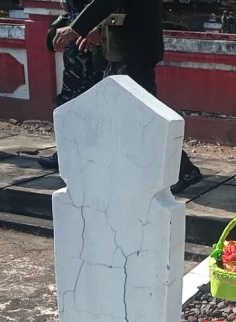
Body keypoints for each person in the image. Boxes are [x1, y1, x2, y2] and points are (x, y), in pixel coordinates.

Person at [51, 0, 203, 193]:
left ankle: (184, 170)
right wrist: (97, 28)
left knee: (144, 120)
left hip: (134, 51)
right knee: (120, 118)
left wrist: (76, 28)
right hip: (124, 51)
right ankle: (117, 171)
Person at [37, 0, 107, 169]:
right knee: (70, 100)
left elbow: (102, 7)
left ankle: (85, 155)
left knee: (90, 102)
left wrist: (96, 30)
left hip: (90, 43)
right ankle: (67, 153)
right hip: (75, 43)